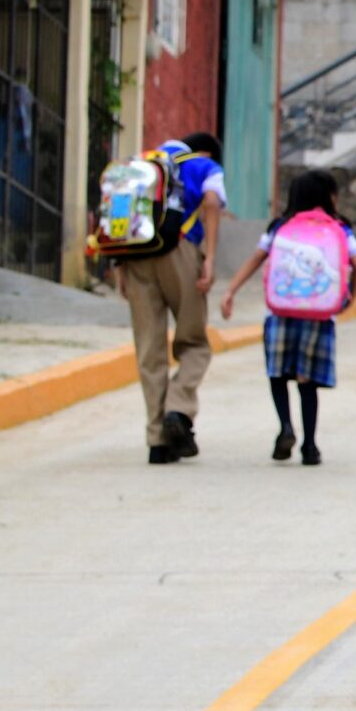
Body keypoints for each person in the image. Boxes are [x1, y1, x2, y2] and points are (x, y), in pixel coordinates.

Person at [217, 169, 356, 466]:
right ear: (329, 197)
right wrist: (349, 297)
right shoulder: (340, 228)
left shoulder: (280, 226)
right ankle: (310, 445)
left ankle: (285, 426)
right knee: (306, 380)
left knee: (278, 373)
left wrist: (230, 291)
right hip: (319, 315)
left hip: (279, 312)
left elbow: (256, 259)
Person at [115, 133, 226, 464]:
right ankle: (178, 408)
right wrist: (209, 258)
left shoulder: (137, 166)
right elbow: (210, 202)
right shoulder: (205, 166)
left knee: (150, 348)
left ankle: (157, 441)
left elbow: (119, 216)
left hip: (136, 255)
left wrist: (120, 265)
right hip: (181, 252)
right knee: (193, 342)